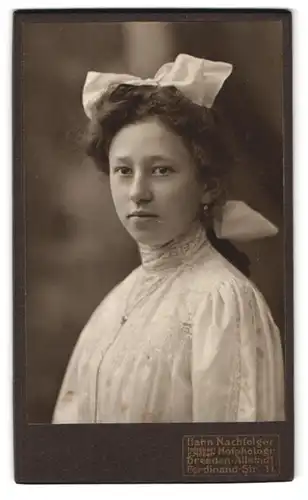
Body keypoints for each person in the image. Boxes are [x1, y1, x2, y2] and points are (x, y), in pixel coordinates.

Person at [52, 54, 285, 424]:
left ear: (207, 186)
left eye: (161, 170)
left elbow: (231, 461)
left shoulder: (223, 301)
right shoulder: (116, 303)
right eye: (124, 171)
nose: (138, 192)